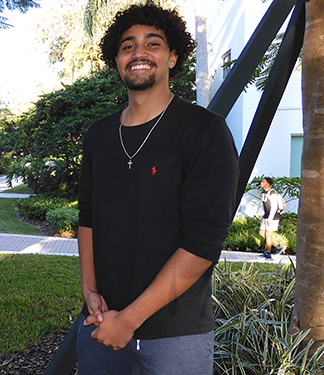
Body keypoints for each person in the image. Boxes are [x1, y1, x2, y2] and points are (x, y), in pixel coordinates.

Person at [76, 3, 239, 374]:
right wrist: (90, 293)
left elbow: (202, 244)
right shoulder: (98, 136)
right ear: (116, 59)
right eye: (128, 46)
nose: (139, 53)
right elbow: (88, 220)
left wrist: (130, 320)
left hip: (176, 338)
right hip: (102, 327)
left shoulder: (204, 132)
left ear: (172, 56)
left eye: (153, 43)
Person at [258, 177, 286, 259]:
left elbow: (274, 207)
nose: (261, 183)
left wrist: (270, 218)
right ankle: (279, 246)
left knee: (268, 234)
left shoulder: (272, 193)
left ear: (268, 184)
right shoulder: (264, 192)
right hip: (266, 216)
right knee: (261, 232)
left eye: (263, 182)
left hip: (273, 217)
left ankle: (268, 252)